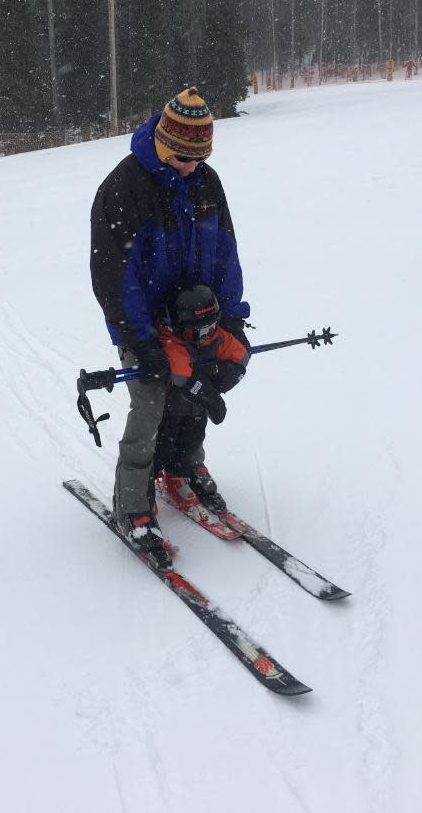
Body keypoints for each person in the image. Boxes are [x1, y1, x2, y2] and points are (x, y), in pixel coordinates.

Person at [90, 86, 250, 569]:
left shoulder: (206, 180)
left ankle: (181, 468)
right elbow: (114, 277)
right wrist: (140, 340)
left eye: (199, 157)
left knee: (197, 389)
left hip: (196, 315)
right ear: (161, 141)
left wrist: (233, 319)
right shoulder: (123, 189)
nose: (189, 166)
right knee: (151, 401)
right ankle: (134, 503)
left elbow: (225, 250)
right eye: (181, 156)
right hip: (145, 321)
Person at [154, 284, 249, 514]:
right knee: (164, 443)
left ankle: (184, 471)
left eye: (210, 328)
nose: (206, 336)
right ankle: (151, 476)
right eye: (199, 332)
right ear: (181, 326)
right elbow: (181, 375)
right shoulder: (171, 337)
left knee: (194, 435)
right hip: (169, 406)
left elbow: (240, 353)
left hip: (195, 408)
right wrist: (210, 395)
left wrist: (232, 372)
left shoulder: (212, 335)